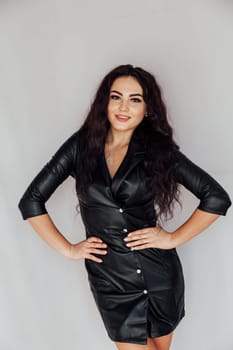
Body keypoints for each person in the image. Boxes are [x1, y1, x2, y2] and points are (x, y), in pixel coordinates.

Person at [18, 64, 232, 350]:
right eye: (116, 97)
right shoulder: (80, 147)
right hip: (110, 279)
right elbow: (31, 200)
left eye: (135, 99)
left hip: (158, 274)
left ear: (148, 109)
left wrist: (171, 239)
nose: (123, 107)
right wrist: (68, 249)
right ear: (104, 102)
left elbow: (216, 197)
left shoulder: (159, 151)